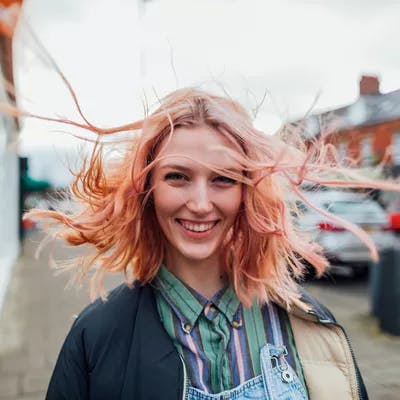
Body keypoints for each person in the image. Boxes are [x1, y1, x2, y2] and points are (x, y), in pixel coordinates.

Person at [24, 88, 379, 400]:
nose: (200, 202)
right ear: (149, 189)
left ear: (246, 193)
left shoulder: (316, 328)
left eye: (223, 179)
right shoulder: (95, 337)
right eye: (177, 176)